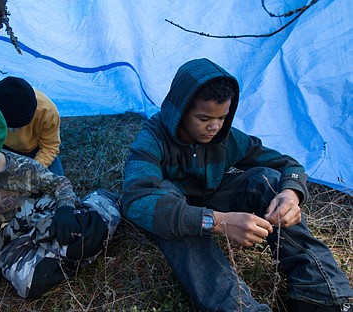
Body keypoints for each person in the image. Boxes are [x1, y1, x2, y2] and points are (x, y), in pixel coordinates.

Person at [122, 58, 353, 311]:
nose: (214, 126)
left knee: (267, 179)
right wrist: (217, 222)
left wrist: (291, 193)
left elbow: (288, 165)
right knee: (165, 197)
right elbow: (136, 201)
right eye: (204, 118)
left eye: (222, 117)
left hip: (213, 196)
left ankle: (321, 294)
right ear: (180, 110)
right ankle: (239, 307)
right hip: (179, 212)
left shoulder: (226, 138)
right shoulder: (152, 138)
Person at [0, 99, 121, 299]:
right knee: (27, 285)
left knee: (77, 236)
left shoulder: (22, 167)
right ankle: (71, 249)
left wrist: (66, 209)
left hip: (37, 213)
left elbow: (59, 184)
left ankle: (100, 202)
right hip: (3, 238)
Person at [0, 76, 64, 175]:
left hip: (36, 150)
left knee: (55, 182)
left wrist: (33, 169)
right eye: (9, 125)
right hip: (0, 147)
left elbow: (49, 147)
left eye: (20, 125)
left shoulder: (47, 111)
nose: (15, 131)